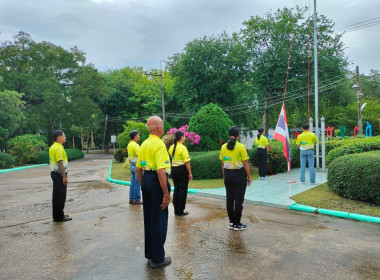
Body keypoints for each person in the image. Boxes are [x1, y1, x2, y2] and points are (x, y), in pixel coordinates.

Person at [136, 116, 172, 268]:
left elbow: (138, 168)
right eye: (162, 124)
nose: (163, 127)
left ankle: (150, 254)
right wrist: (165, 193)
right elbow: (161, 171)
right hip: (157, 182)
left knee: (149, 219)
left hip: (146, 180)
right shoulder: (159, 144)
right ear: (159, 128)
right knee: (159, 220)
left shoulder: (144, 144)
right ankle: (158, 259)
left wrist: (144, 185)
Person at [220, 126, 251, 231]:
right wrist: (249, 177)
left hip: (228, 175)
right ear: (238, 135)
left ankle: (232, 222)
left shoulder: (223, 147)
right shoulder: (241, 147)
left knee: (229, 199)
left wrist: (225, 176)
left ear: (229, 135)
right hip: (239, 175)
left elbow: (223, 164)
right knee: (238, 200)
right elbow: (245, 164)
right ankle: (237, 223)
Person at [49, 130, 72, 222]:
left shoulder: (53, 147)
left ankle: (58, 215)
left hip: (55, 174)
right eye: (64, 136)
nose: (65, 137)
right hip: (59, 174)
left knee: (56, 196)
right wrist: (64, 177)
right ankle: (59, 217)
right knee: (60, 196)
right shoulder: (58, 148)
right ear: (59, 137)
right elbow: (60, 163)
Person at [168, 130, 193, 216]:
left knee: (177, 189)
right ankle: (180, 210)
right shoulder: (183, 148)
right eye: (184, 136)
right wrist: (190, 173)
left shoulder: (171, 147)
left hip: (174, 169)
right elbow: (187, 162)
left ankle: (176, 209)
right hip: (182, 170)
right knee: (183, 190)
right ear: (181, 137)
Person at [127, 130, 142, 205]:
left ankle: (131, 198)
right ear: (135, 136)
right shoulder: (136, 145)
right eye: (138, 135)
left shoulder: (129, 144)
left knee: (132, 183)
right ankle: (136, 199)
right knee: (137, 183)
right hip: (136, 165)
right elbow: (140, 156)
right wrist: (143, 166)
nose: (139, 136)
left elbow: (129, 156)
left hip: (131, 165)